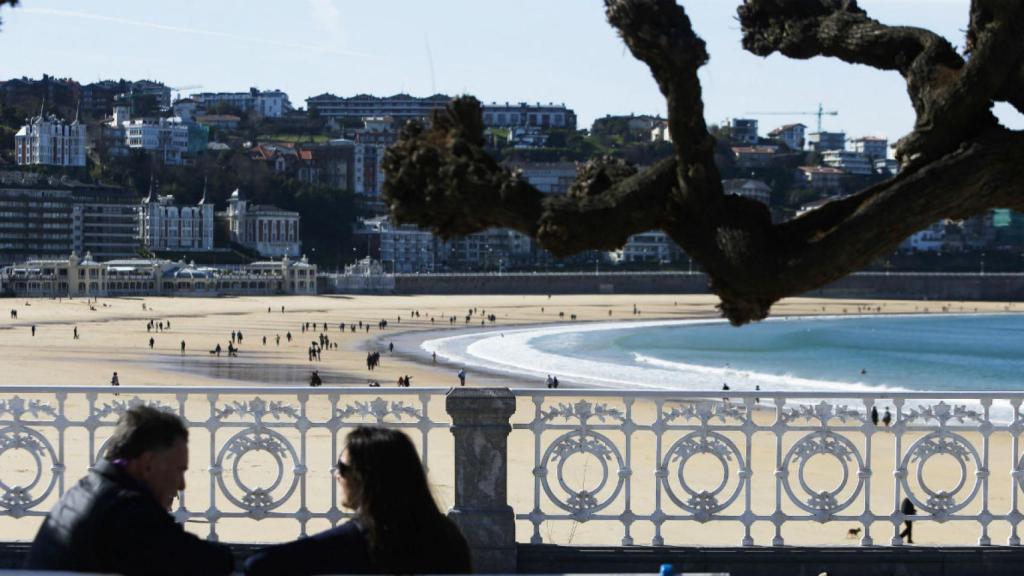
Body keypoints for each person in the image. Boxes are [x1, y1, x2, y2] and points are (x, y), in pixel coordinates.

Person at [26, 405, 233, 575]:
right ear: (148, 463)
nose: (181, 485)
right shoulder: (126, 511)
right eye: (179, 470)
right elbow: (203, 561)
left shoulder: (87, 489)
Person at [244, 426, 470, 575]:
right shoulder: (448, 536)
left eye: (342, 467)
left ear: (364, 477)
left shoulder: (354, 542)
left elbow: (258, 564)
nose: (336, 474)